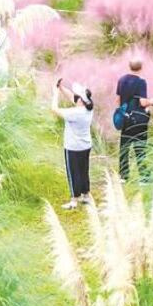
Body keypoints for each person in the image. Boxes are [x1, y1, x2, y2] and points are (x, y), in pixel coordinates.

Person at [51, 78, 94, 210]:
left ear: (81, 100)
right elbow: (72, 98)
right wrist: (62, 88)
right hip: (85, 146)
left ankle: (74, 200)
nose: (75, 97)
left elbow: (54, 109)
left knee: (73, 172)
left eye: (77, 97)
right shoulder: (89, 108)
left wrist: (55, 93)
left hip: (73, 148)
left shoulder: (75, 113)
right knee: (83, 170)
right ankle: (86, 196)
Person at [116, 59, 153, 181]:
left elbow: (117, 101)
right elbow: (143, 102)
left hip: (125, 119)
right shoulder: (141, 82)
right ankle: (143, 177)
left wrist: (123, 113)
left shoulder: (121, 80)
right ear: (141, 67)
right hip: (139, 121)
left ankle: (123, 176)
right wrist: (152, 102)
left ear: (129, 66)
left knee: (124, 148)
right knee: (140, 148)